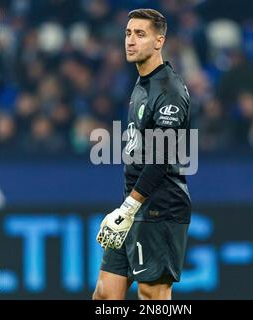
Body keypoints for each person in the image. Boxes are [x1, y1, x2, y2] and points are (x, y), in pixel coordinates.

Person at [93, 8, 192, 300]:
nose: (130, 41)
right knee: (105, 294)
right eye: (127, 33)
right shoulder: (142, 82)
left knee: (152, 295)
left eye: (140, 34)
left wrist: (127, 208)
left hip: (160, 207)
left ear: (159, 41)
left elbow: (161, 159)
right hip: (135, 206)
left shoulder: (169, 91)